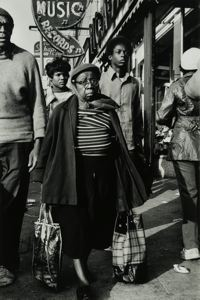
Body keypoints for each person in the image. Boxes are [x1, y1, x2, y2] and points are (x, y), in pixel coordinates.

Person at [34, 63, 147, 300]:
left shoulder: (108, 109)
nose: (89, 84)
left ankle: (83, 263)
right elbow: (49, 147)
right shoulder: (62, 112)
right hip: (74, 176)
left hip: (104, 175)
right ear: (74, 85)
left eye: (93, 79)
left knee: (97, 223)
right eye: (83, 80)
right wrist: (43, 179)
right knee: (76, 226)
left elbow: (119, 147)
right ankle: (83, 281)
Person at [0, 8, 46, 286]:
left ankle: (6, 263)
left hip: (18, 141)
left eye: (6, 25)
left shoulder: (26, 60)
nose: (2, 30)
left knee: (10, 206)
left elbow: (38, 104)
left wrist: (37, 143)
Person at [157, 47, 200, 261]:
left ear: (183, 67)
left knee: (189, 194)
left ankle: (191, 246)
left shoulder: (177, 86)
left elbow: (162, 115)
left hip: (184, 144)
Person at [99, 35, 152, 196]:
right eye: (118, 52)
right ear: (110, 56)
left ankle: (127, 219)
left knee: (128, 187)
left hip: (129, 143)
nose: (123, 55)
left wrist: (139, 142)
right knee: (108, 186)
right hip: (107, 141)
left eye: (126, 52)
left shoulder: (134, 83)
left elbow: (137, 114)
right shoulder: (100, 81)